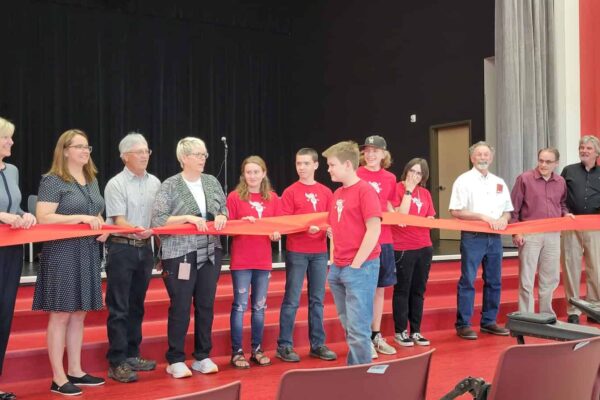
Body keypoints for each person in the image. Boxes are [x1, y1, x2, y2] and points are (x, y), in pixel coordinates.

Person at [34, 129, 107, 396]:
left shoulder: (91, 179)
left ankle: (76, 369)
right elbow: (43, 216)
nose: (85, 151)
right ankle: (58, 376)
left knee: (79, 313)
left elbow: (95, 210)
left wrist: (102, 225)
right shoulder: (53, 180)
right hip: (62, 252)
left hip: (87, 251)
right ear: (65, 151)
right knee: (61, 314)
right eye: (79, 147)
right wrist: (80, 219)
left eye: (88, 147)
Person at [151, 137, 228, 378]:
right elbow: (158, 220)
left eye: (204, 154)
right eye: (197, 154)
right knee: (181, 305)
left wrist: (222, 216)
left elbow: (223, 207)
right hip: (180, 254)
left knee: (206, 305)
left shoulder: (212, 182)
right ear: (184, 158)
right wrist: (187, 218)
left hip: (209, 252)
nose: (203, 158)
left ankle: (202, 356)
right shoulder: (170, 185)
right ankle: (175, 358)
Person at [104, 133, 161, 382]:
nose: (144, 155)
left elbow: (158, 220)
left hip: (145, 250)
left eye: (147, 150)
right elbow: (119, 220)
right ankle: (116, 361)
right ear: (125, 156)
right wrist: (138, 229)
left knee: (137, 305)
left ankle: (132, 353)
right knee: (119, 307)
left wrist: (159, 249)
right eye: (139, 151)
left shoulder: (156, 182)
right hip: (122, 248)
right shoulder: (115, 184)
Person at [322, 141, 381, 365]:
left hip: (359, 268)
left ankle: (360, 378)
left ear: (347, 165)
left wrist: (356, 264)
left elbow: (374, 229)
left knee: (358, 331)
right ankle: (355, 374)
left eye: (332, 165)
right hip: (339, 267)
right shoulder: (338, 193)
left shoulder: (365, 191)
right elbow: (336, 228)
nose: (329, 169)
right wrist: (334, 261)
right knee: (350, 327)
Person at [276, 148, 337, 363]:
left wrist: (329, 229)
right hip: (297, 251)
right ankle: (284, 345)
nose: (301, 167)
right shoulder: (290, 191)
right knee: (292, 299)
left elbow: (332, 218)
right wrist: (304, 228)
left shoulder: (326, 192)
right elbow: (284, 222)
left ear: (315, 165)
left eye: (305, 163)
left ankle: (317, 344)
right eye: (298, 163)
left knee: (317, 300)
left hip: (319, 252)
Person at [449, 141, 513, 340]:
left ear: (491, 158)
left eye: (486, 155)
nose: (483, 158)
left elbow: (508, 210)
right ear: (472, 158)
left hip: (495, 238)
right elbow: (456, 211)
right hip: (473, 237)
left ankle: (489, 321)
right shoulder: (463, 180)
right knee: (468, 280)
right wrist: (483, 217)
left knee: (494, 281)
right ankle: (464, 324)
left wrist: (503, 219)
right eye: (479, 155)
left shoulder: (499, 182)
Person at [226, 155, 280, 369]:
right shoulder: (234, 197)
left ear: (264, 173)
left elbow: (279, 226)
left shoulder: (274, 199)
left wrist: (277, 234)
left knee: (259, 306)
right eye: (248, 172)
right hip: (241, 259)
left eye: (256, 171)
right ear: (243, 175)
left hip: (263, 259)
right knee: (240, 306)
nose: (252, 176)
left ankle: (256, 349)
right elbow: (227, 226)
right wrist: (240, 223)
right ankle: (237, 352)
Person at [0, 118, 36, 400]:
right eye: (6, 137)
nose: (11, 142)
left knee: (4, 315)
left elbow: (15, 206)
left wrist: (25, 214)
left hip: (11, 251)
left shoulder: (11, 170)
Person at [511, 148, 570, 316]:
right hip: (530, 234)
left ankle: (546, 315)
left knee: (550, 278)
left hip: (553, 234)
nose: (543, 164)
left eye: (548, 162)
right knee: (526, 278)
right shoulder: (524, 179)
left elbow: (563, 204)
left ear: (556, 163)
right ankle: (526, 316)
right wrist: (517, 232)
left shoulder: (560, 182)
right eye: (541, 160)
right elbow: (514, 208)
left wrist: (566, 214)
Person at [357, 135, 398, 357]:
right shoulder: (356, 175)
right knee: (363, 290)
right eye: (367, 150)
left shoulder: (390, 178)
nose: (371, 154)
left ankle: (375, 335)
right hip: (363, 242)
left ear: (384, 154)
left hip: (386, 240)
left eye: (375, 150)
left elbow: (389, 203)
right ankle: (363, 338)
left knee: (380, 290)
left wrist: (398, 216)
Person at [392, 158, 435, 347]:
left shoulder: (425, 193)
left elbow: (430, 215)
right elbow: (401, 214)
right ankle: (400, 331)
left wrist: (431, 220)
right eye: (412, 171)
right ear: (406, 171)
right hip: (403, 247)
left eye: (419, 173)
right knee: (403, 290)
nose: (415, 176)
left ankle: (416, 331)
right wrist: (408, 191)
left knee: (419, 290)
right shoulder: (397, 189)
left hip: (424, 246)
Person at [561, 135, 600, 324]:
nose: (584, 151)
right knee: (571, 268)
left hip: (595, 226)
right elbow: (559, 196)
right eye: (582, 147)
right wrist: (564, 213)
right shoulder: (568, 170)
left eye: (588, 148)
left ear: (597, 153)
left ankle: (594, 309)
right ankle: (573, 310)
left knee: (597, 269)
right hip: (571, 225)